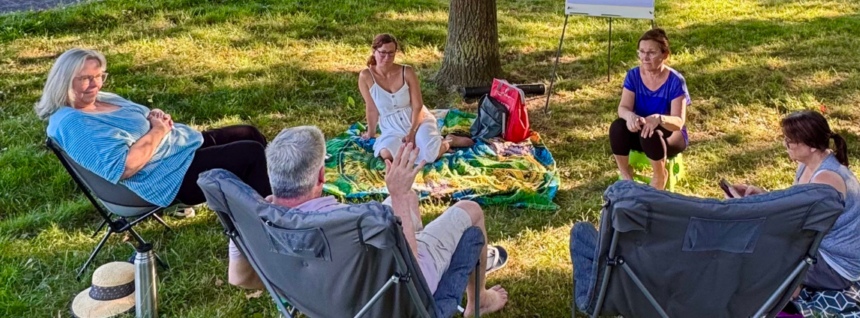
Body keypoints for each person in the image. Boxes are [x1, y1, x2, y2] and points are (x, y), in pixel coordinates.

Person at [228, 127, 509, 316]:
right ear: (322, 177)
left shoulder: (258, 223)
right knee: (470, 209)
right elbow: (412, 274)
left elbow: (239, 277)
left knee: (409, 198)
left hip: (320, 297)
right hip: (397, 295)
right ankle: (479, 300)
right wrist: (395, 194)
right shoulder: (356, 223)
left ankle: (419, 231)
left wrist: (241, 223)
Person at [39, 48, 271, 208]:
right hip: (167, 175)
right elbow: (124, 167)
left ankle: (270, 197)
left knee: (248, 132)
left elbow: (138, 118)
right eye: (85, 78)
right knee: (250, 152)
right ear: (65, 80)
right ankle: (271, 221)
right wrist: (158, 130)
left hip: (179, 148)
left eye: (99, 76)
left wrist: (153, 117)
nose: (95, 84)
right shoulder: (74, 123)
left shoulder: (102, 98)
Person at [731, 111, 860, 291]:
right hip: (819, 250)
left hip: (836, 268)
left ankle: (789, 290)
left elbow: (800, 228)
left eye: (790, 140)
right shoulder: (808, 164)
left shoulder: (827, 179)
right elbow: (796, 208)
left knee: (754, 253)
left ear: (811, 145)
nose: (785, 144)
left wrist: (754, 210)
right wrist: (762, 196)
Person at [358, 33, 470, 164]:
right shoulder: (366, 76)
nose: (387, 58)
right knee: (386, 154)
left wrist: (412, 132)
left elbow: (418, 106)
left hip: (417, 119)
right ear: (374, 51)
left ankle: (448, 141)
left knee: (429, 155)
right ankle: (422, 145)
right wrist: (370, 133)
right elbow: (371, 108)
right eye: (383, 53)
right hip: (391, 126)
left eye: (391, 53)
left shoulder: (407, 72)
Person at [609, 28, 690, 190]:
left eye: (651, 53)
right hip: (640, 131)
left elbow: (678, 122)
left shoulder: (675, 80)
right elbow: (623, 108)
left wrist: (659, 118)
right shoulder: (633, 75)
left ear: (665, 55)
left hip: (669, 135)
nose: (645, 58)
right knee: (617, 126)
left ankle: (660, 177)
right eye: (641, 52)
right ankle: (625, 173)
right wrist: (630, 116)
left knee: (650, 132)